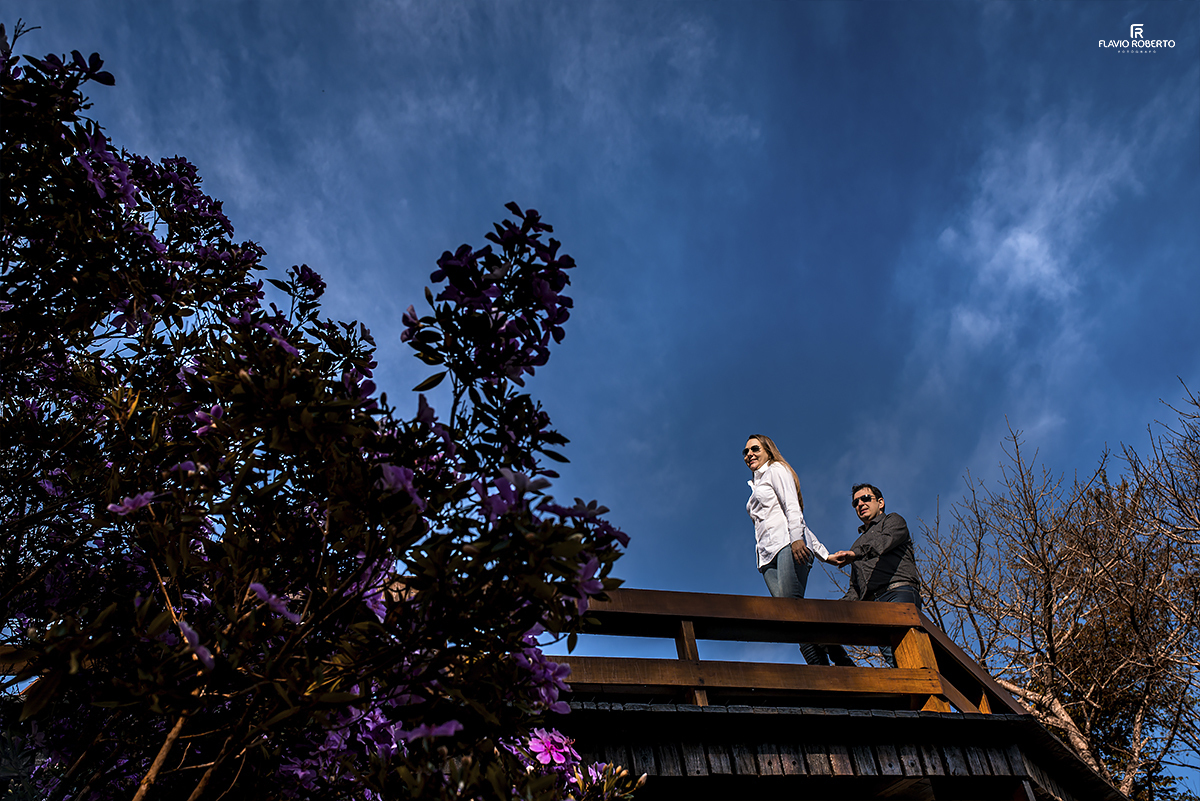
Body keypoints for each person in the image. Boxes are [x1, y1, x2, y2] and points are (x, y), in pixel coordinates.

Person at [744, 434, 854, 667]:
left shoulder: (776, 470)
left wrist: (798, 542)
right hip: (766, 559)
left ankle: (836, 658)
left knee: (792, 609)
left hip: (787, 545)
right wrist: (824, 553)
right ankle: (824, 670)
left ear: (768, 450)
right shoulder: (756, 485)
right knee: (789, 618)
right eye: (745, 452)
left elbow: (793, 509)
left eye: (754, 449)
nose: (749, 454)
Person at [829, 483, 922, 668]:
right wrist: (829, 612)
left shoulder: (893, 521)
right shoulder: (857, 545)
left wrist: (855, 554)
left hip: (898, 592)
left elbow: (884, 542)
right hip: (873, 605)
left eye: (865, 498)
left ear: (880, 503)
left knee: (906, 653)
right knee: (894, 660)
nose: (860, 504)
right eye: (855, 502)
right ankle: (848, 671)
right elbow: (856, 589)